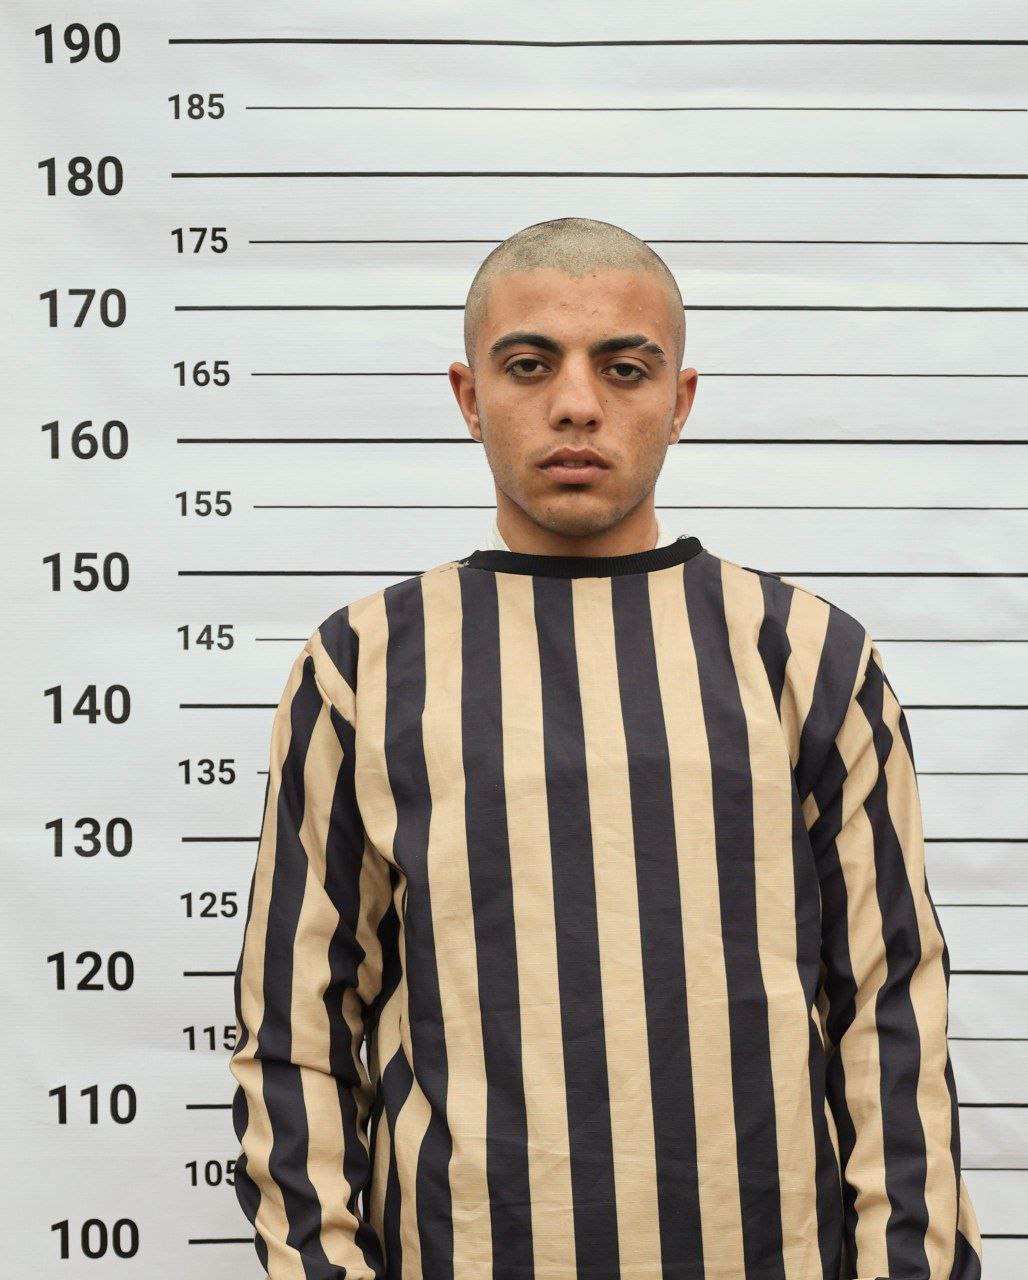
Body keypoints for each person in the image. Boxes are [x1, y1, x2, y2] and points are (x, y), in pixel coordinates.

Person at [229, 215, 983, 1279]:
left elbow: (889, 1003)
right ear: (468, 397)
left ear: (679, 400)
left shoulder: (806, 655)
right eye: (528, 365)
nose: (577, 404)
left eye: (624, 368)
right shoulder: (363, 664)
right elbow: (294, 1027)